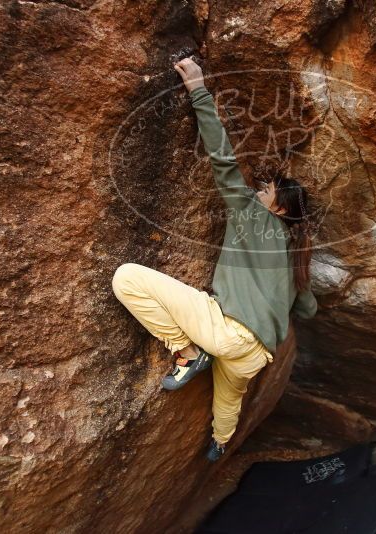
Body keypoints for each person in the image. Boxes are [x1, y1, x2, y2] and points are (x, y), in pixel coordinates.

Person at [111, 57, 317, 462]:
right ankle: (220, 443)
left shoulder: (252, 215)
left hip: (227, 333)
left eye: (267, 191)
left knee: (126, 277)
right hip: (255, 357)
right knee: (228, 400)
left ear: (279, 208)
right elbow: (308, 308)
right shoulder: (297, 258)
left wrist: (198, 91)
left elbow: (222, 160)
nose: (259, 193)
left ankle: (187, 352)